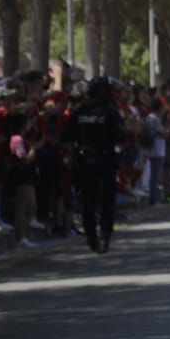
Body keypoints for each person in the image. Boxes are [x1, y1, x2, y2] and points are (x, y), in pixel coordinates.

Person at [65, 75, 125, 254]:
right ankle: (105, 235)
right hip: (105, 160)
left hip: (84, 161)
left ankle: (91, 237)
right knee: (107, 200)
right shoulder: (109, 111)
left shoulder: (80, 111)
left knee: (87, 201)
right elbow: (121, 136)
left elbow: (67, 136)